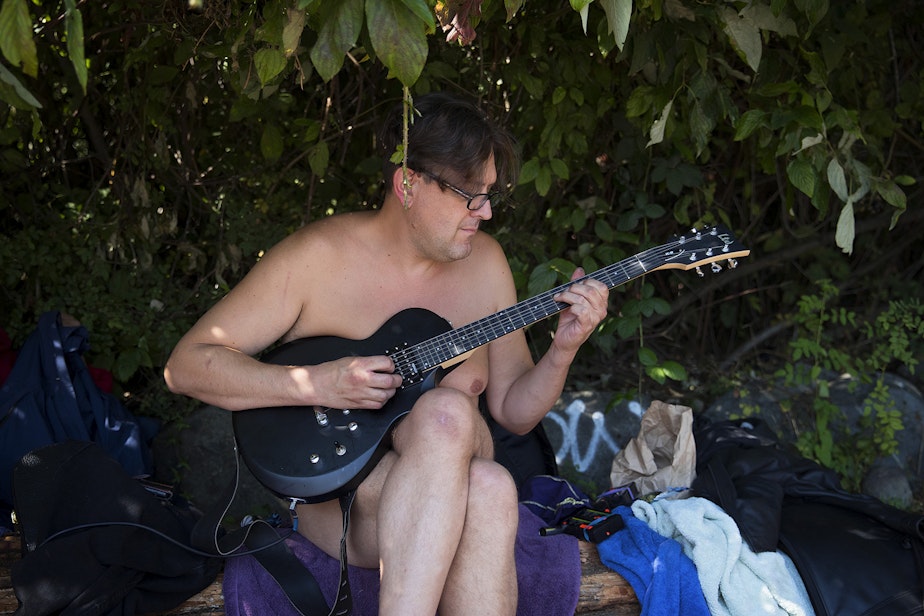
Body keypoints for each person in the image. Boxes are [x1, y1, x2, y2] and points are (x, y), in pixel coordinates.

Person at [163, 91, 609, 616]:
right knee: (484, 481)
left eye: (490, 195)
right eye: (471, 196)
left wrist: (563, 348)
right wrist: (316, 382)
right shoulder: (317, 258)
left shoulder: (486, 263)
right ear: (408, 183)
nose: (485, 213)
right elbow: (186, 365)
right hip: (350, 507)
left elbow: (513, 410)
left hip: (457, 471)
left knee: (454, 429)